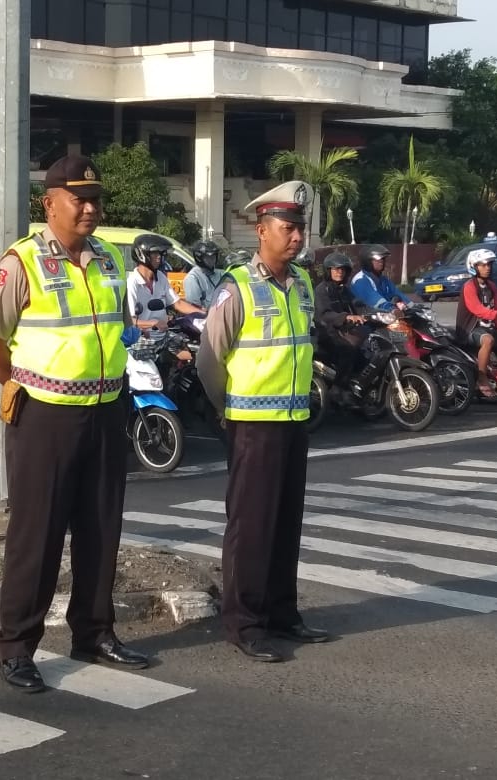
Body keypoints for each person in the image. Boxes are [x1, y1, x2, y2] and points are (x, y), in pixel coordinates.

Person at [0, 154, 149, 693]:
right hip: (45, 416)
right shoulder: (21, 263)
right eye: (80, 199)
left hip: (104, 409)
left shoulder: (109, 260)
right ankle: (17, 647)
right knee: (39, 534)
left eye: (96, 199)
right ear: (49, 203)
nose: (91, 209)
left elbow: (119, 328)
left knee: (101, 527)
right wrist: (20, 388)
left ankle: (94, 632)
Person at [195, 180, 329, 663]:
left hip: (293, 420)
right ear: (262, 231)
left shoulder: (303, 283)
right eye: (287, 228)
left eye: (301, 229)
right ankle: (246, 622)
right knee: (250, 526)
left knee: (285, 521)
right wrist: (226, 409)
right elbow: (209, 362)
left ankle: (281, 612)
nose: (296, 237)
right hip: (252, 423)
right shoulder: (237, 287)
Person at [454, 248, 497, 398]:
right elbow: (478, 310)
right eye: (483, 265)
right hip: (469, 330)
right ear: (474, 267)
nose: (487, 268)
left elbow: (496, 308)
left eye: (489, 265)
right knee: (488, 340)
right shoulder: (469, 287)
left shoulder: (492, 286)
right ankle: (481, 378)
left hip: (488, 329)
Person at [126, 233, 204, 336]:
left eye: (161, 254)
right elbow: (129, 320)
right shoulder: (132, 283)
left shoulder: (160, 277)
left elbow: (177, 304)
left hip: (164, 335)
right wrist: (153, 323)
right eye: (155, 253)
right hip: (143, 341)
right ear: (142, 254)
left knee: (191, 350)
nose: (159, 257)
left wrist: (203, 313)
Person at [313, 252, 367, 388]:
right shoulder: (321, 290)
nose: (340, 272)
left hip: (343, 331)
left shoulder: (344, 290)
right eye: (336, 269)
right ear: (328, 271)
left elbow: (358, 304)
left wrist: (376, 313)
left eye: (343, 269)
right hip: (327, 333)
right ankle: (340, 390)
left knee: (367, 349)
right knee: (347, 351)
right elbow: (324, 315)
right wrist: (346, 316)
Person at [349, 244, 411, 312]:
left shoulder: (383, 279)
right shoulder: (360, 280)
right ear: (367, 261)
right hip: (368, 318)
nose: (381, 261)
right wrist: (392, 308)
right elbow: (376, 300)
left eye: (383, 259)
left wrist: (412, 305)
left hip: (386, 316)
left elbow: (397, 293)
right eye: (377, 259)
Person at [183, 239, 223, 308]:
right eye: (208, 257)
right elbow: (194, 308)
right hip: (204, 317)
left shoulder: (220, 274)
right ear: (199, 258)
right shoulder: (193, 278)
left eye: (214, 256)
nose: (212, 260)